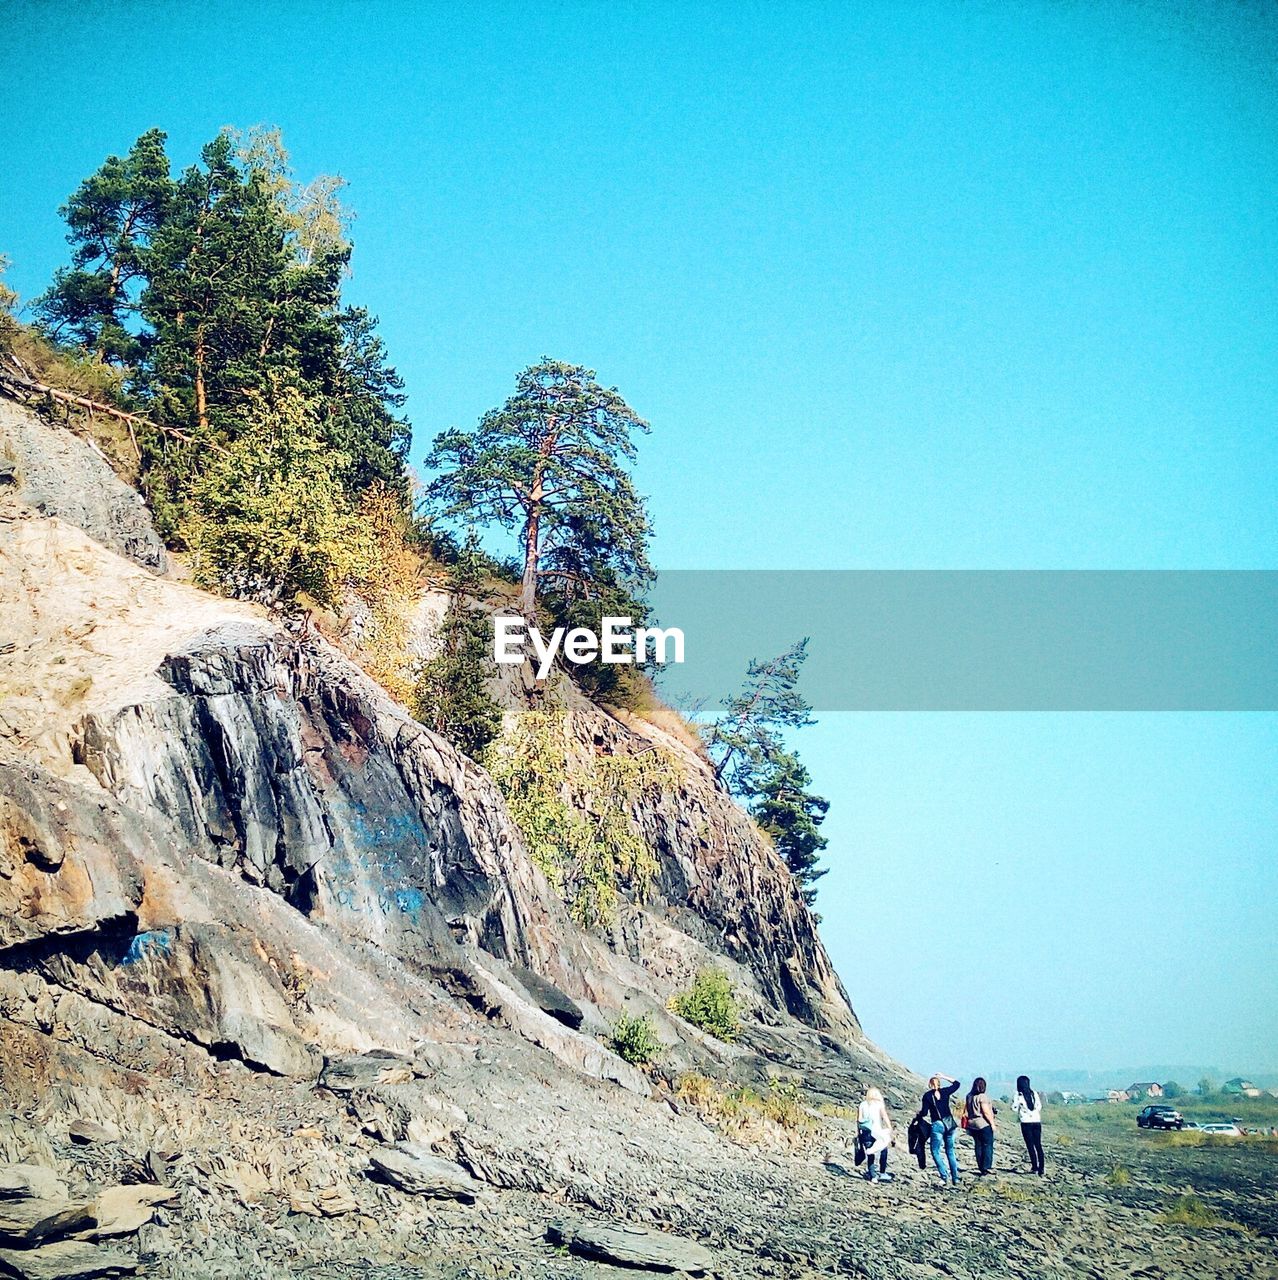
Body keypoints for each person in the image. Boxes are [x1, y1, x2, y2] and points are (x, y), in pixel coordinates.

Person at [921, 1073, 962, 1185]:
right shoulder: (945, 1092)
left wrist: (918, 1115)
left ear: (930, 1085)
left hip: (937, 1124)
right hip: (949, 1123)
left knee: (935, 1151)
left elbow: (924, 1112)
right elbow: (957, 1084)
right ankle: (955, 1178)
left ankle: (944, 1176)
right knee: (950, 1151)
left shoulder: (927, 1096)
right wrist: (943, 1076)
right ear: (939, 1083)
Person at [857, 1087, 893, 1182]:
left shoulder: (862, 1104)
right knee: (883, 1149)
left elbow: (859, 1120)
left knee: (870, 1153)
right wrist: (889, 1127)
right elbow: (884, 1116)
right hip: (877, 1130)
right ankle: (882, 1173)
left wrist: (859, 1133)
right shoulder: (879, 1104)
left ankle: (873, 1176)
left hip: (865, 1131)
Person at [1012, 1074, 1045, 1175]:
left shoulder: (1018, 1095)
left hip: (1026, 1122)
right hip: (1036, 1121)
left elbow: (1014, 1108)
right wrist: (1033, 1112)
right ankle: (1041, 1168)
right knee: (1038, 1145)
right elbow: (1039, 1106)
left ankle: (1035, 1167)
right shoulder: (1034, 1093)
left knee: (1030, 1145)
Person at [966, 1076, 997, 1174]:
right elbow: (986, 1112)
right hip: (983, 1123)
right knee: (987, 1145)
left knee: (978, 1145)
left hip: (972, 1124)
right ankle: (986, 1166)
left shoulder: (969, 1096)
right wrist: (992, 1124)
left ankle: (980, 1166)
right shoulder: (982, 1097)